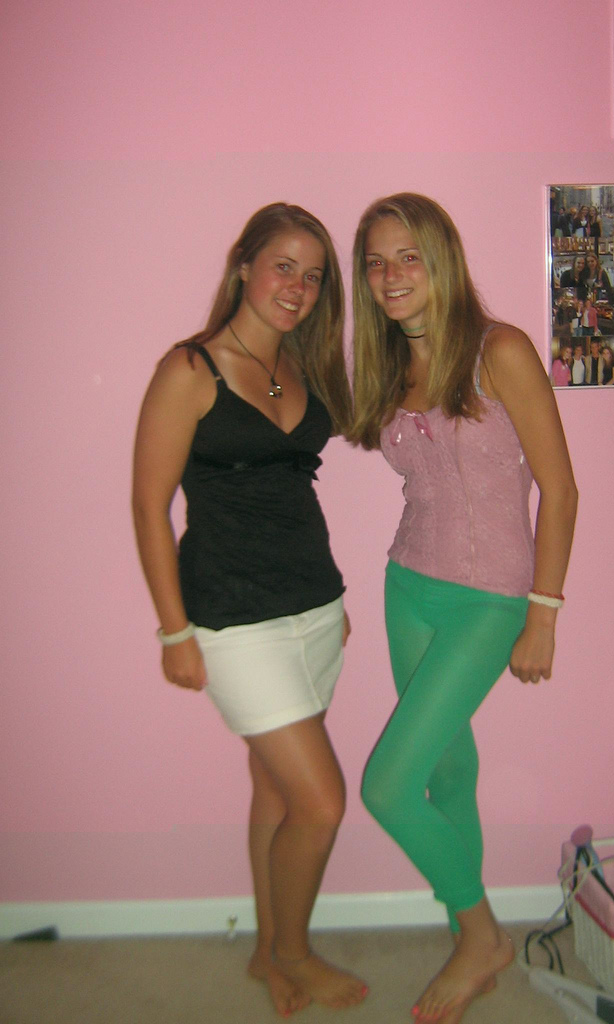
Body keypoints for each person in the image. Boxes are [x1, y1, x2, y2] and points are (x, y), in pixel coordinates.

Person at [132, 203, 367, 1017]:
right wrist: (174, 630)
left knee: (274, 789)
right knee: (321, 803)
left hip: (315, 606)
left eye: (313, 275)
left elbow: (293, 488)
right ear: (244, 266)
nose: (297, 287)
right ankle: (296, 953)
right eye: (283, 266)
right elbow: (149, 506)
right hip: (232, 618)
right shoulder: (189, 369)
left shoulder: (299, 367)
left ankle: (268, 953)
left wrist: (331, 603)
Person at [349, 193, 578, 1024]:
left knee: (386, 785)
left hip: (489, 598)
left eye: (407, 256)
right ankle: (466, 940)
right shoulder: (389, 367)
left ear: (441, 258)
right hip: (407, 586)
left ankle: (482, 936)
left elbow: (561, 487)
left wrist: (542, 613)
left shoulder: (500, 351)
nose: (390, 275)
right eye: (376, 262)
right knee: (446, 770)